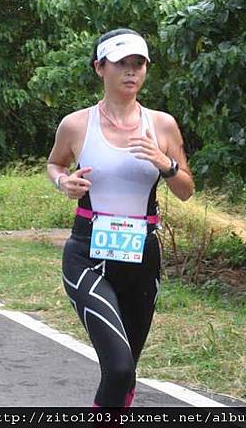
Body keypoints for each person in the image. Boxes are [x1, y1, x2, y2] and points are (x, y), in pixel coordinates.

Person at [47, 28, 194, 408]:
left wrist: (166, 164)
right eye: (121, 64)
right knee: (117, 367)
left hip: (142, 256)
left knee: (127, 372)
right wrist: (63, 181)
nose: (131, 72)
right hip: (87, 255)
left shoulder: (161, 125)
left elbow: (186, 189)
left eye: (139, 64)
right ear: (100, 68)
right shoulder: (77, 124)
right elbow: (55, 163)